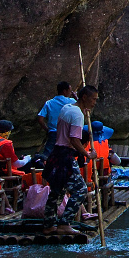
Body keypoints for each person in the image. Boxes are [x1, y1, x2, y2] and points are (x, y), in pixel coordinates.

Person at [42, 85, 98, 236]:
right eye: (93, 99)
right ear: (85, 98)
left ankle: (49, 225)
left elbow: (74, 106)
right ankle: (64, 223)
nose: (94, 102)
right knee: (80, 189)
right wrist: (87, 154)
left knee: (57, 191)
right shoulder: (77, 115)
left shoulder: (67, 107)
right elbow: (74, 139)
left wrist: (83, 109)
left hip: (55, 153)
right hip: (65, 156)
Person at [37, 81, 76, 156]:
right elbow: (82, 107)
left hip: (53, 133)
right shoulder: (72, 102)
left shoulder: (49, 103)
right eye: (70, 91)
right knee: (66, 155)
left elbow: (40, 119)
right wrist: (76, 97)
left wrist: (48, 130)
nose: (71, 93)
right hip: (67, 133)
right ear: (64, 91)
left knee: (47, 155)